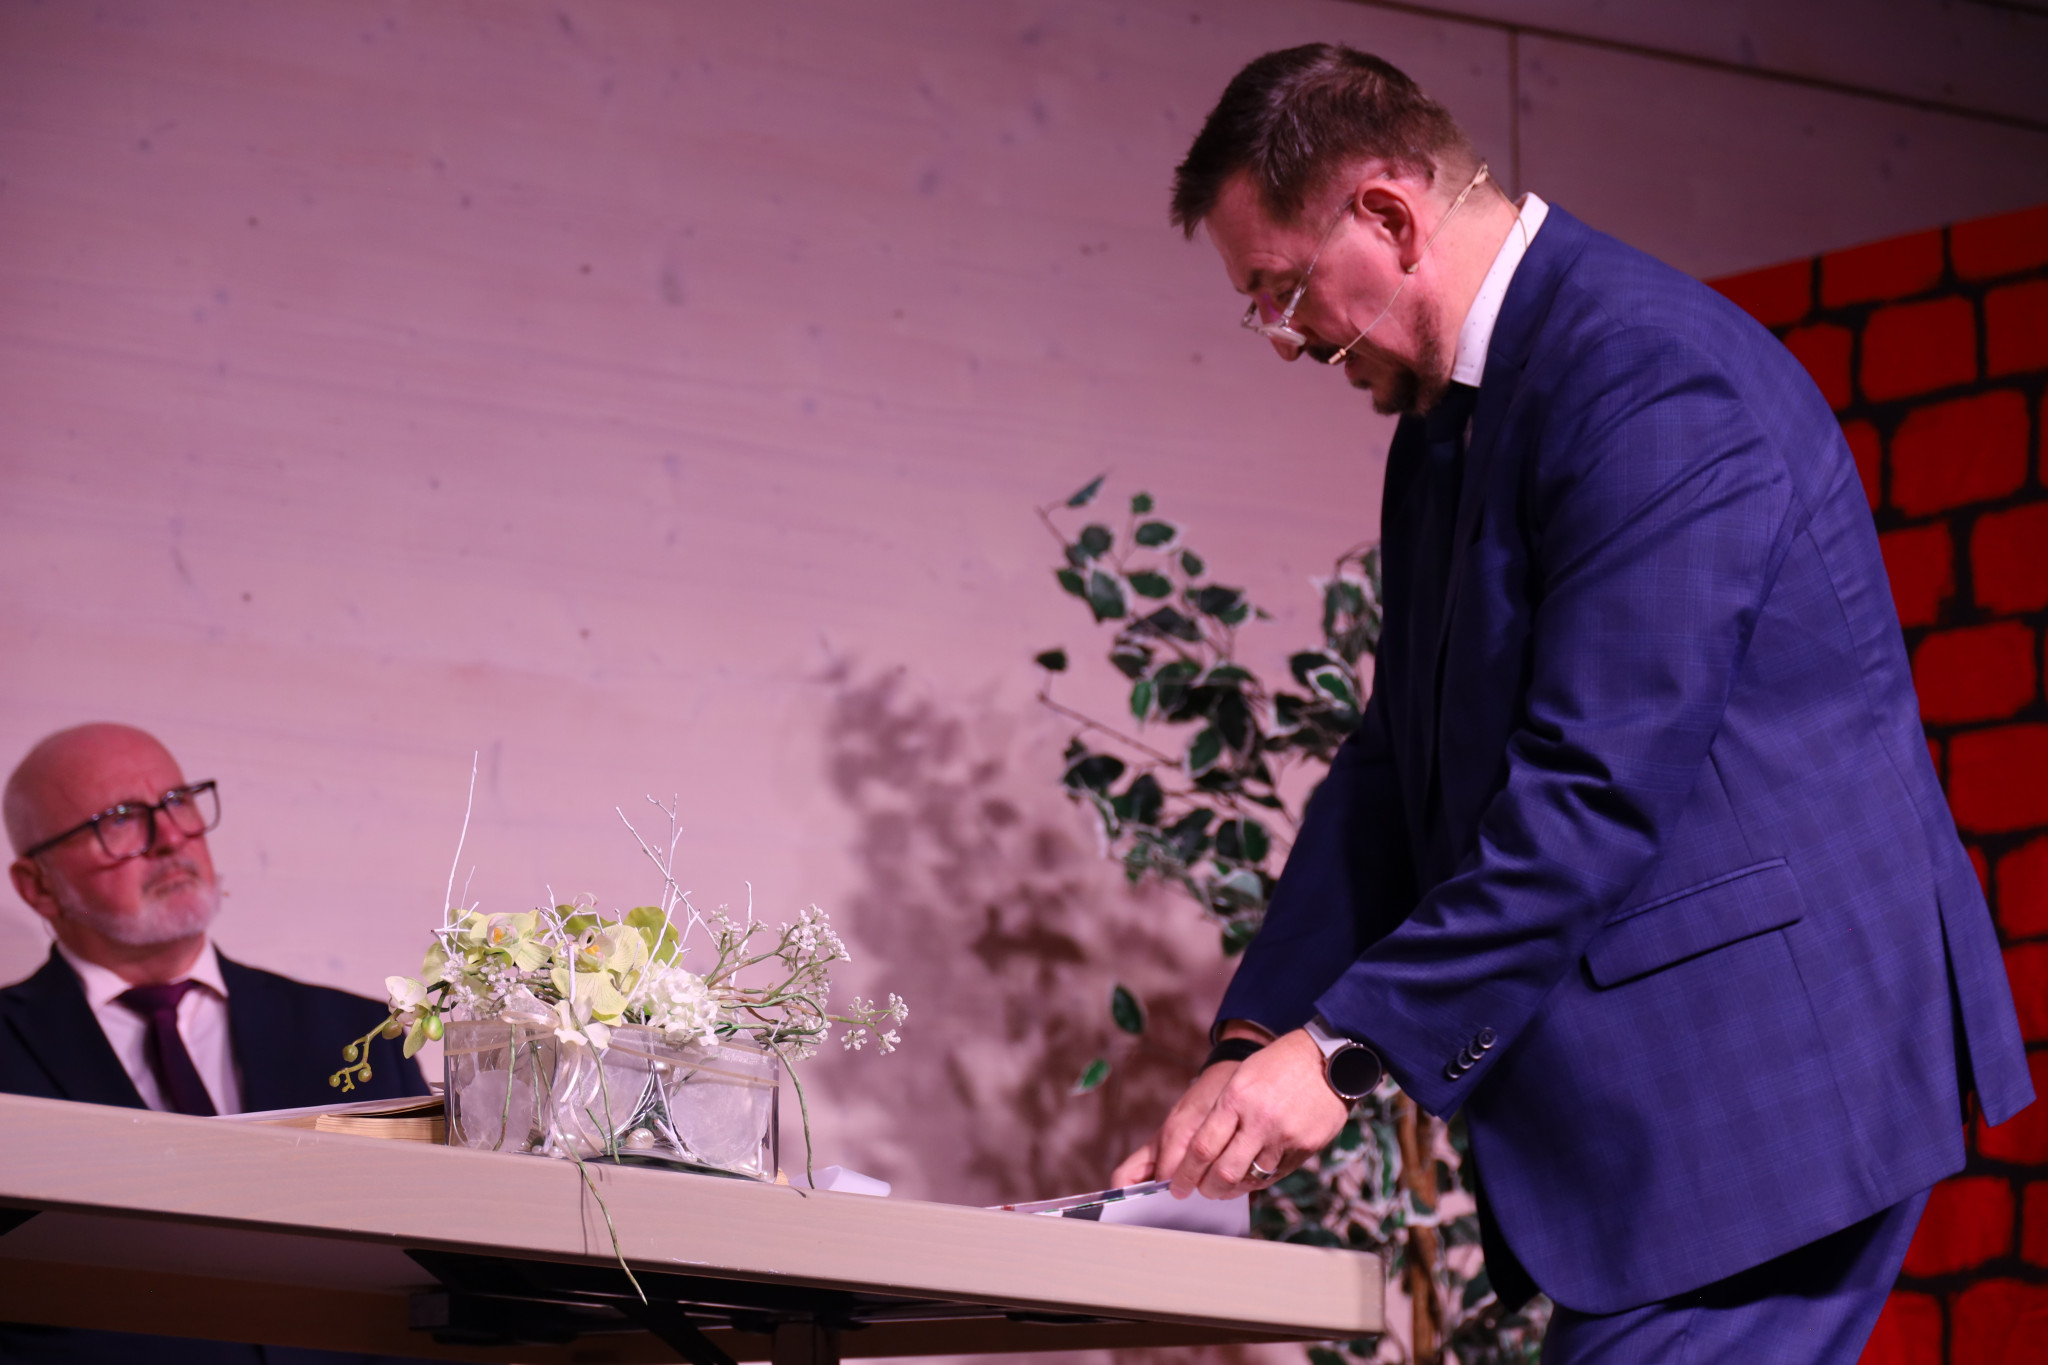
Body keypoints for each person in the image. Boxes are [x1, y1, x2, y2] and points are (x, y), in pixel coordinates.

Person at [1111, 45, 2033, 1364]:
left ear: (1387, 215)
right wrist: (1259, 1036)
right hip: (1673, 1113)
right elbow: (1395, 766)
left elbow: (1593, 787)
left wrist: (1343, 1051)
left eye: (1284, 288)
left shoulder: (1649, 376)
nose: (1285, 336)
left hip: (1768, 1088)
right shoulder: (1444, 425)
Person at [1, 721, 430, 1364]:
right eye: (119, 820)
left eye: (178, 802)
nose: (171, 838)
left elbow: (437, 1281)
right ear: (37, 885)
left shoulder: (362, 1035)